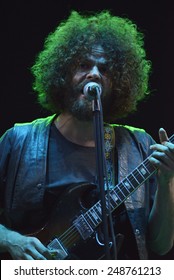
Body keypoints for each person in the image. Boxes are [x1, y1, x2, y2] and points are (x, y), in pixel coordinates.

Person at [0, 10, 174, 260]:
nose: (94, 73)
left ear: (119, 84)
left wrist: (168, 180)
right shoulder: (18, 140)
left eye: (104, 69)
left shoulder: (139, 145)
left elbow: (160, 245)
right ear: (63, 72)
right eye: (83, 65)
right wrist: (11, 240)